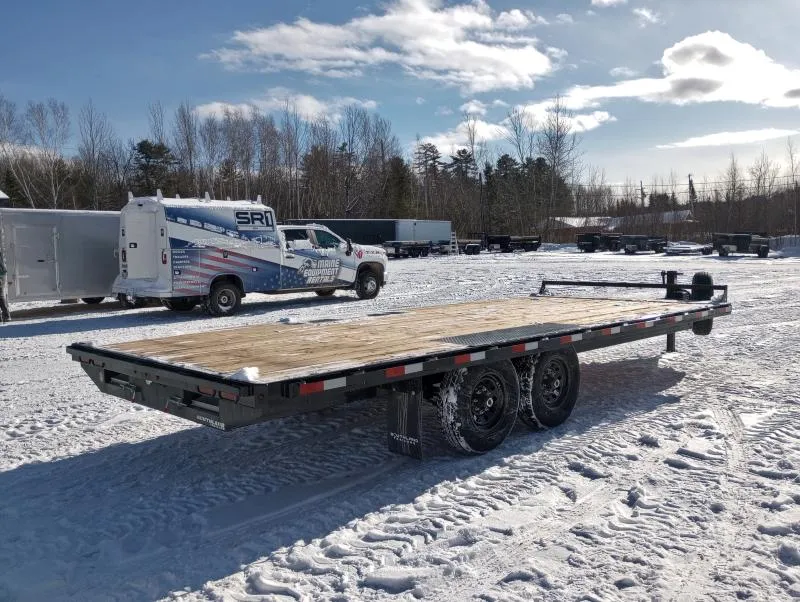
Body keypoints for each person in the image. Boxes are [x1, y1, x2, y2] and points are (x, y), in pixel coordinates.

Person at [0, 249, 9, 322]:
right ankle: (6, 316)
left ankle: (6, 316)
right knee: (1, 297)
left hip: (1, 275)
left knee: (1, 297)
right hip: (2, 274)